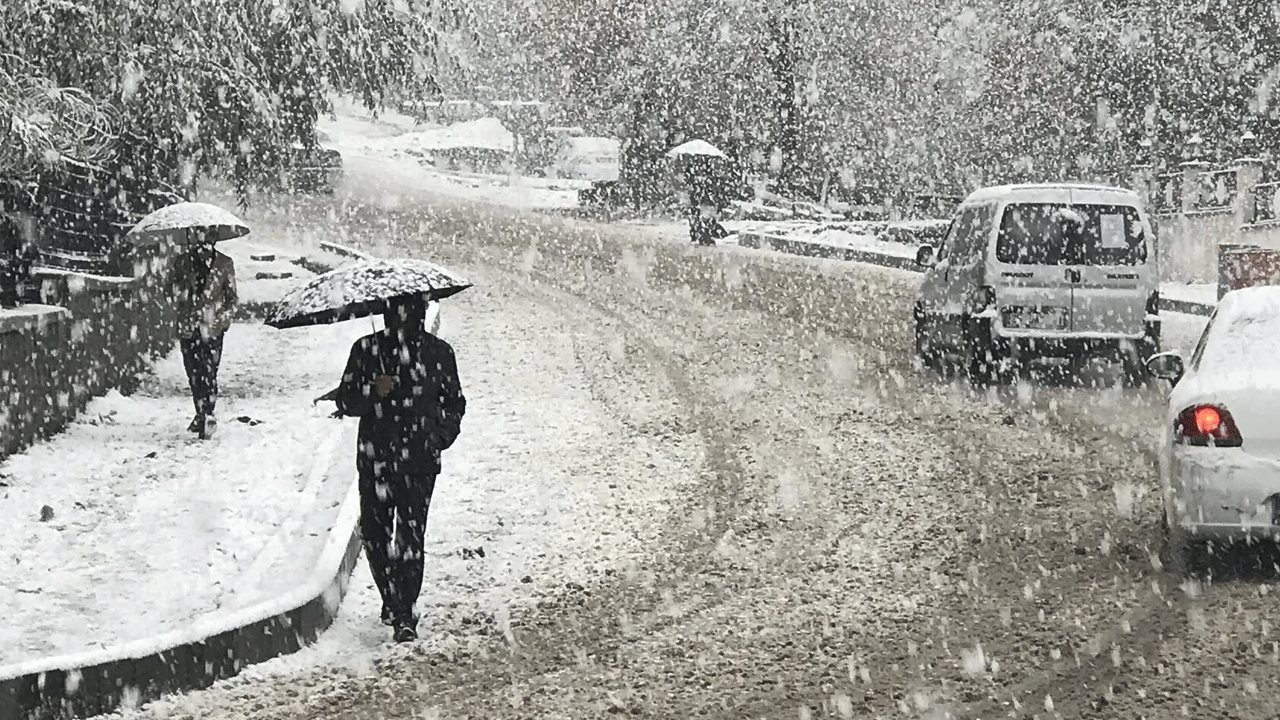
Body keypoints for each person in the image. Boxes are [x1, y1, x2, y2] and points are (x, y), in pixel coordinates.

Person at [334, 294, 466, 643]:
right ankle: (391, 599)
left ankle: (404, 611)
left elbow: (454, 402)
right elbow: (346, 400)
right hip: (376, 457)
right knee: (376, 535)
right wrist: (371, 390)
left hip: (419, 460)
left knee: (410, 538)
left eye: (414, 312)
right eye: (400, 314)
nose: (408, 321)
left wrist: (439, 437)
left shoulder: (439, 353)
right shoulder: (366, 350)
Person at [171, 233, 237, 439]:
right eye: (201, 241)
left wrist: (222, 321)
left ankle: (207, 412)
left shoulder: (225, 263)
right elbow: (170, 291)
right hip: (189, 327)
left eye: (209, 241)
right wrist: (183, 290)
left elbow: (232, 298)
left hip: (213, 328)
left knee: (209, 371)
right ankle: (200, 412)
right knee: (193, 371)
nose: (205, 245)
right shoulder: (182, 263)